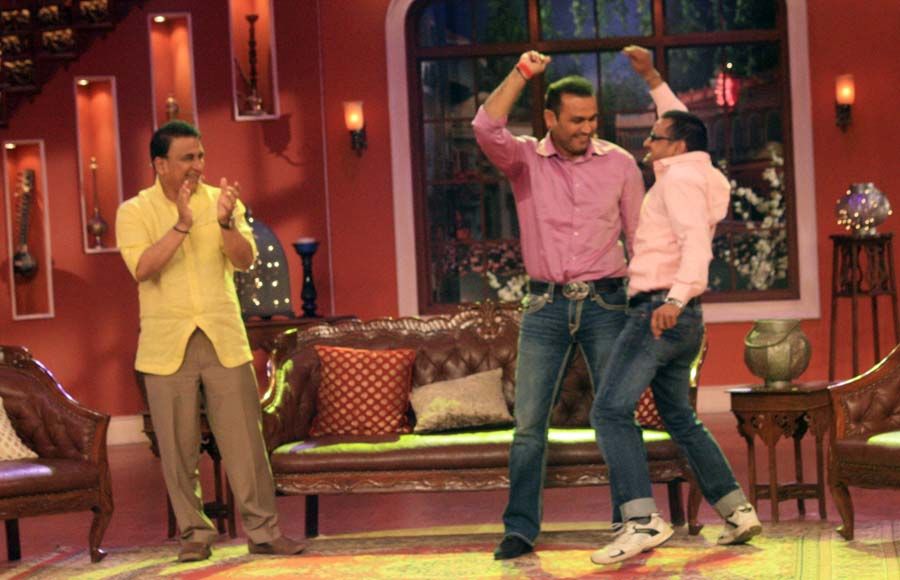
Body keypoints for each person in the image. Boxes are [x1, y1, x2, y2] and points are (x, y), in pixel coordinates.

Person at [589, 46, 762, 565]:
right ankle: (736, 510)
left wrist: (673, 299)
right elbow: (682, 123)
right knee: (680, 418)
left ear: (677, 146)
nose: (646, 142)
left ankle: (641, 520)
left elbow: (696, 245)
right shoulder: (700, 172)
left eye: (654, 137)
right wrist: (652, 78)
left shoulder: (681, 181)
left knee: (609, 410)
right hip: (683, 318)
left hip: (660, 312)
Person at [472, 50, 644, 560]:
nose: (587, 129)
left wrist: (647, 303)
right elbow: (485, 125)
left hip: (607, 302)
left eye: (592, 119)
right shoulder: (524, 160)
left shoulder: (620, 164)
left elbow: (640, 239)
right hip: (545, 305)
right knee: (528, 425)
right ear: (550, 118)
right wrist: (522, 73)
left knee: (615, 414)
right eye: (576, 120)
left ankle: (631, 520)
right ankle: (520, 528)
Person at [116, 121, 305, 563]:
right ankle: (195, 535)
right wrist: (182, 225)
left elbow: (245, 260)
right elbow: (143, 268)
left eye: (200, 156)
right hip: (166, 345)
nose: (197, 166)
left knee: (246, 443)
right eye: (187, 158)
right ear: (160, 164)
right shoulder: (134, 211)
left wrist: (223, 222)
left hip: (223, 337)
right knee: (177, 448)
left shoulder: (221, 202)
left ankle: (264, 532)